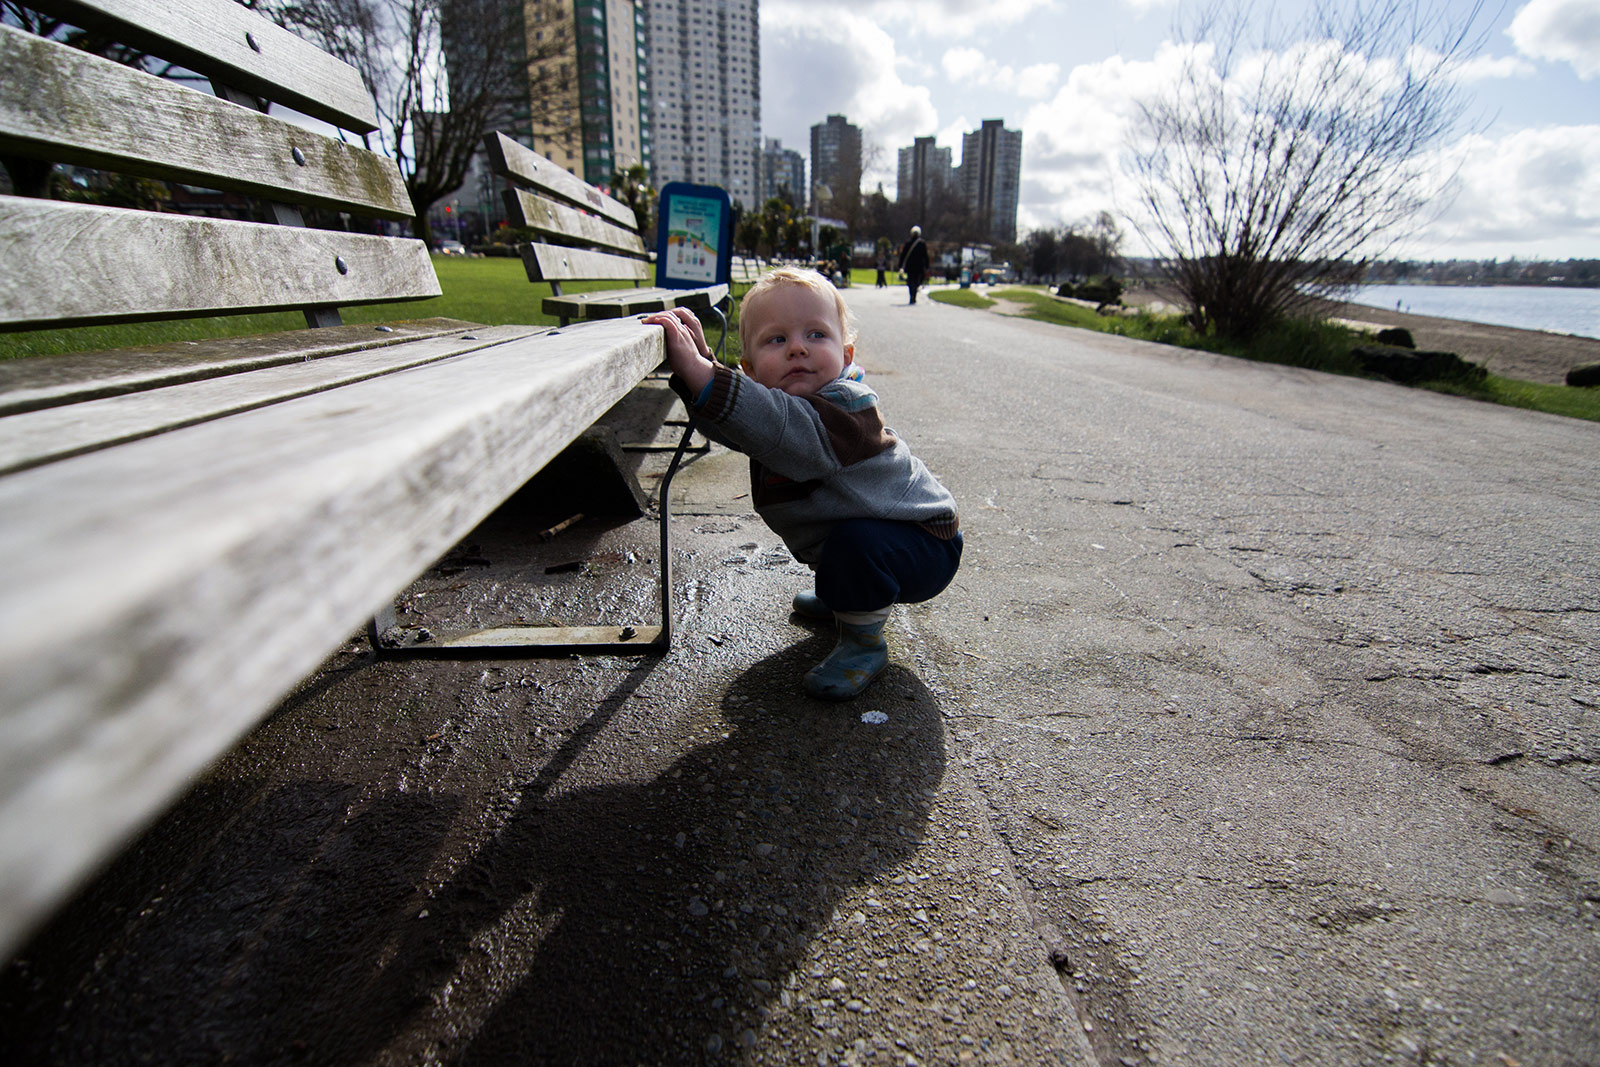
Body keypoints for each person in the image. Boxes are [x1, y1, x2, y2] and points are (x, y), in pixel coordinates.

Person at [642, 268, 961, 700]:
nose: (797, 348)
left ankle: (863, 643)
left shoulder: (845, 406)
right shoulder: (778, 411)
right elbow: (743, 425)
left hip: (925, 544)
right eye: (777, 339)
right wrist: (699, 370)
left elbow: (782, 429)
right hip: (881, 538)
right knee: (850, 542)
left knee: (855, 543)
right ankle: (844, 594)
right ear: (750, 372)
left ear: (846, 355)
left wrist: (707, 375)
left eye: (816, 335)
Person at [897, 225, 929, 305]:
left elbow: (903, 255)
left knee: (910, 281)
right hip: (919, 266)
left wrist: (900, 265)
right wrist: (927, 266)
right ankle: (914, 295)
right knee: (917, 281)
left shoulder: (908, 243)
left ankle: (912, 295)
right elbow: (925, 256)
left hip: (910, 266)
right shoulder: (922, 243)